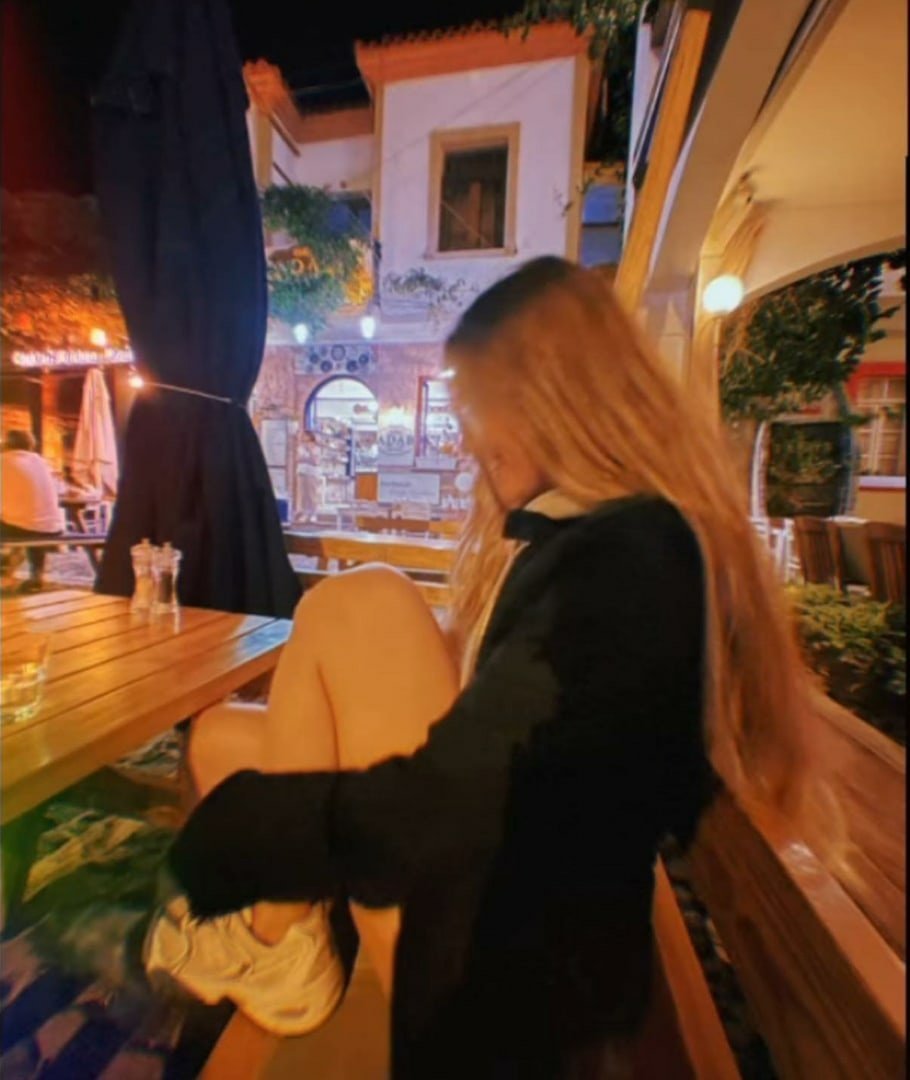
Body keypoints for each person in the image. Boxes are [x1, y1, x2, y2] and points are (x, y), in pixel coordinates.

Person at [147, 257, 820, 1078]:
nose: (469, 442)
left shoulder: (634, 553)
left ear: (559, 407)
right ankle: (280, 940)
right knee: (225, 735)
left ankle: (270, 941)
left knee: (360, 605)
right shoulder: (619, 534)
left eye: (480, 414)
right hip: (545, 888)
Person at [0, 430, 65, 592]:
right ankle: (36, 575)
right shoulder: (41, 462)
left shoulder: (3, 461)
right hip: (52, 528)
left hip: (22, 529)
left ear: (6, 444)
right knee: (30, 519)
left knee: (22, 521)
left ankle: (5, 567)